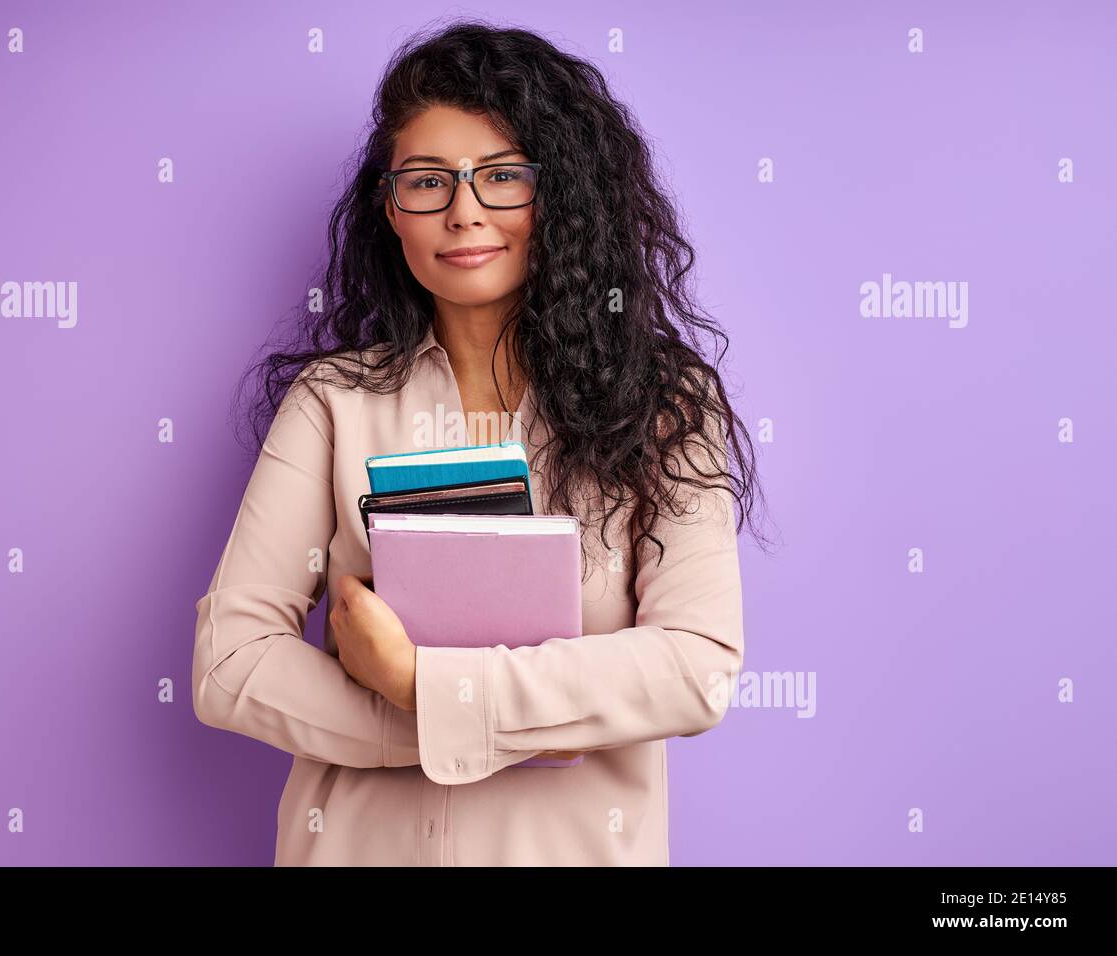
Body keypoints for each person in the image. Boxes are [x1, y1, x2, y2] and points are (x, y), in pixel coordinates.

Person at [192, 19, 766, 866]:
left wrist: (420, 686)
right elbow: (229, 665)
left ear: (562, 194)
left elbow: (693, 667)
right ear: (391, 209)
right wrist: (468, 723)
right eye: (427, 181)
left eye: (502, 177)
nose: (463, 213)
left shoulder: (663, 408)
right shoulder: (333, 404)